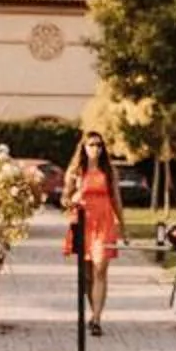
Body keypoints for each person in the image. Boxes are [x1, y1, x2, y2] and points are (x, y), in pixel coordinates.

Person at [61, 132, 125, 334]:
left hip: (104, 223)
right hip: (83, 224)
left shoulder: (109, 171)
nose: (95, 148)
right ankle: (93, 311)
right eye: (91, 145)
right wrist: (74, 196)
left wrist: (124, 226)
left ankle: (97, 318)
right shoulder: (75, 171)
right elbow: (64, 199)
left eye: (99, 145)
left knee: (100, 270)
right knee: (87, 276)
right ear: (84, 147)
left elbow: (116, 200)